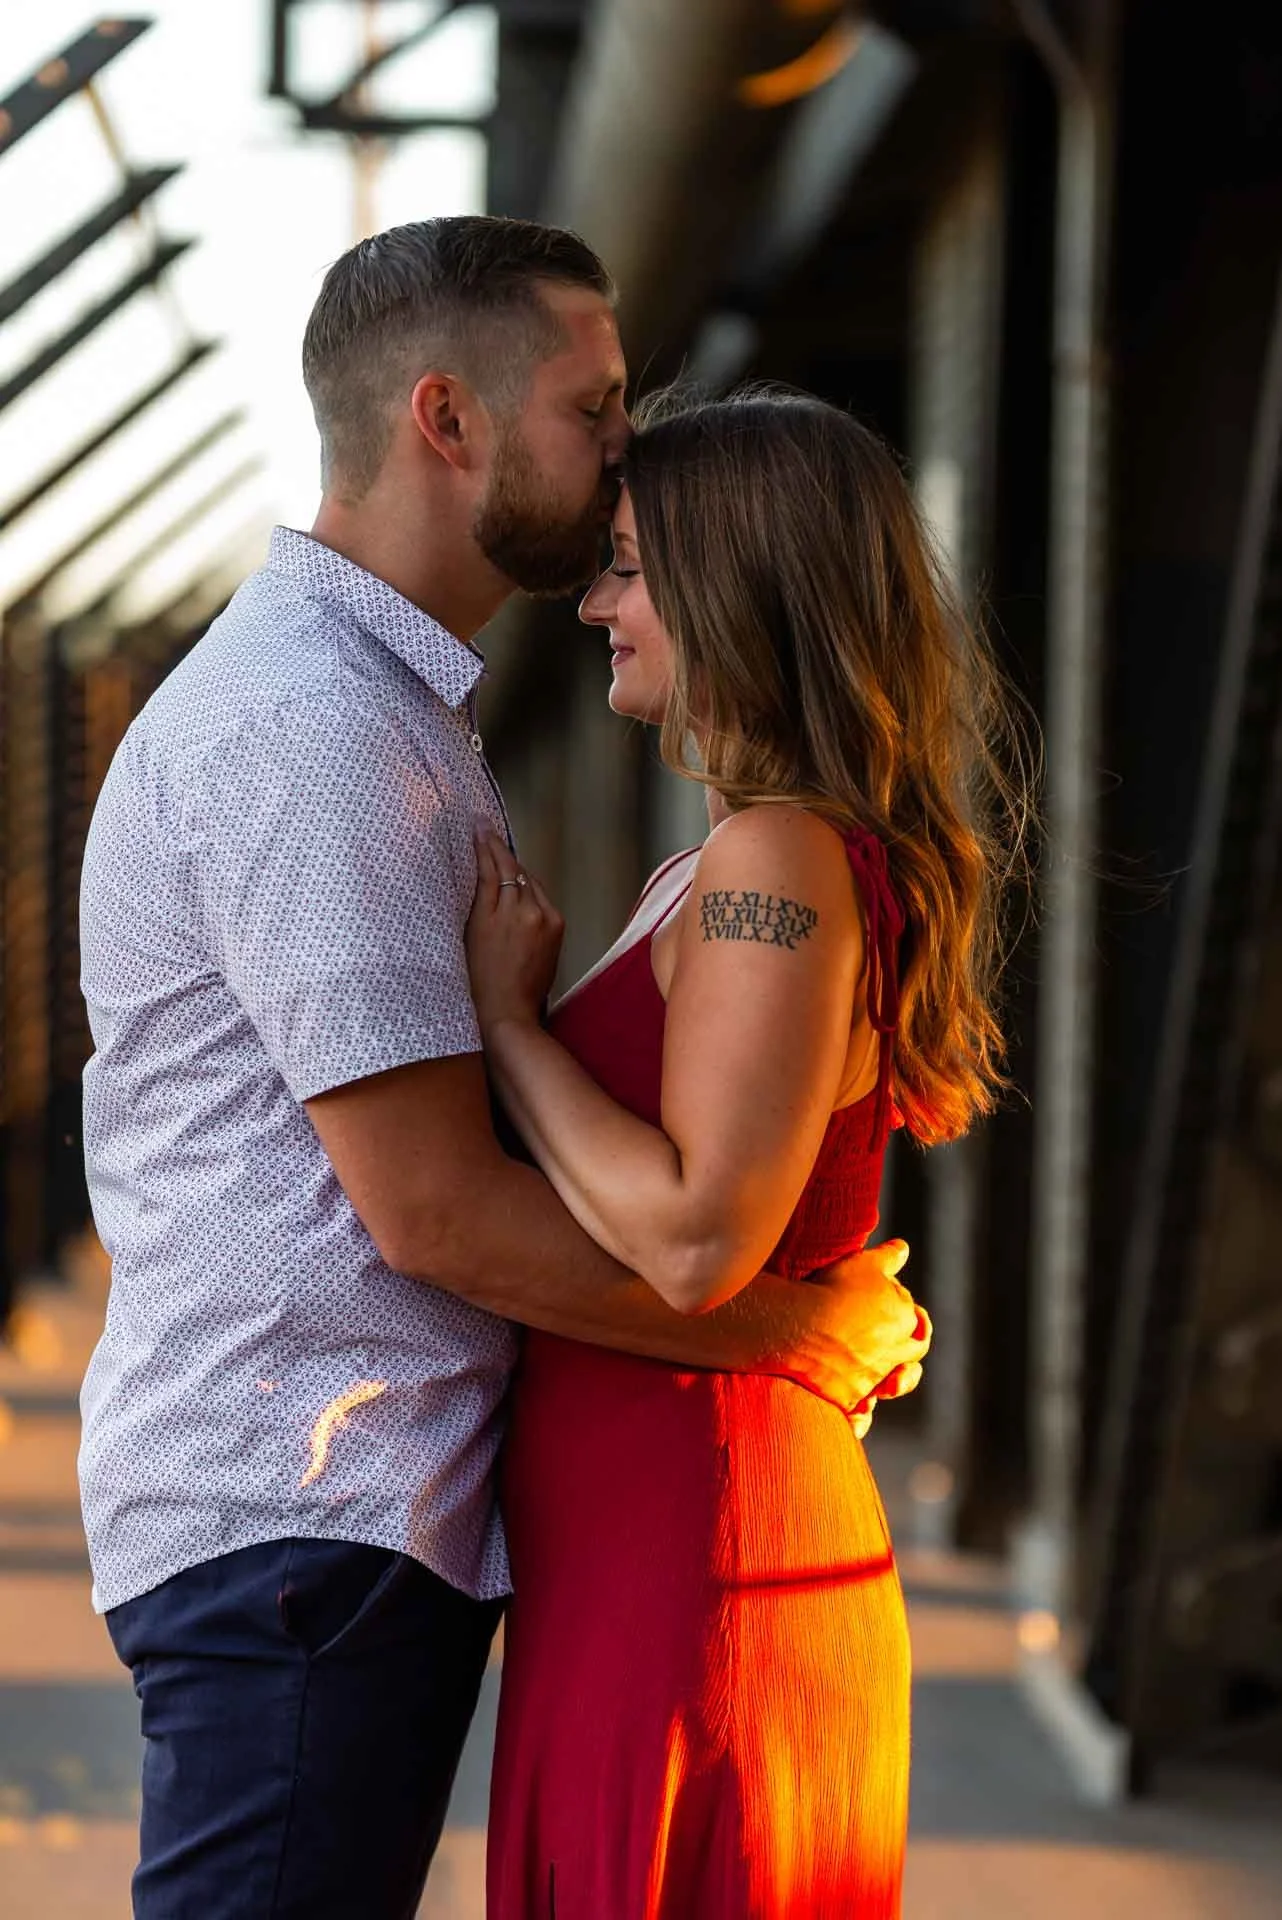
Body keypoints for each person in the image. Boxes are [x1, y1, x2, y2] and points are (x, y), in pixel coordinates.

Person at [77, 219, 929, 1919]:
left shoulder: (391, 716)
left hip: (414, 1522)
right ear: (448, 424)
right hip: (306, 1504)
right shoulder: (319, 733)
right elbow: (439, 1214)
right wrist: (794, 1329)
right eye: (595, 407)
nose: (627, 450)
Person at [467, 390, 1029, 1918]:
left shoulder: (773, 860)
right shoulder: (728, 859)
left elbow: (702, 1239)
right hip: (650, 1550)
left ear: (740, 584)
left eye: (632, 568)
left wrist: (509, 1030)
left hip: (703, 1553)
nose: (594, 603)